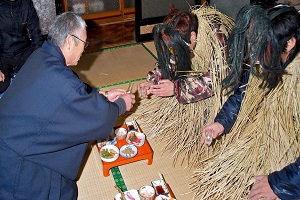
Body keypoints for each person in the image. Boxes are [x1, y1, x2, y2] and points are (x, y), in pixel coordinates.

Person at [0, 12, 135, 199]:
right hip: (16, 164)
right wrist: (120, 104)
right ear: (70, 41)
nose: (85, 49)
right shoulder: (61, 81)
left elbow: (70, 94)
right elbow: (97, 116)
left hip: (17, 138)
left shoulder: (41, 55)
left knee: (67, 189)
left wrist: (101, 95)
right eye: (85, 43)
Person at [191, 4, 300, 199]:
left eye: (262, 49)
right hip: (266, 143)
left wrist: (279, 184)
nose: (256, 59)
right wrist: (221, 123)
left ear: (289, 43)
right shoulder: (267, 58)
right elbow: (243, 94)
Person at [124, 4, 234, 167]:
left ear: (193, 36)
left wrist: (176, 89)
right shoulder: (181, 35)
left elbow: (218, 80)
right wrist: (152, 80)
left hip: (224, 88)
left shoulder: (218, 39)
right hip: (194, 79)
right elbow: (171, 61)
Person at [0, 0, 43, 97]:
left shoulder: (26, 3)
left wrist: (39, 58)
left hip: (23, 51)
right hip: (3, 54)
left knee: (36, 82)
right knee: (2, 87)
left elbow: (35, 32)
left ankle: (17, 75)